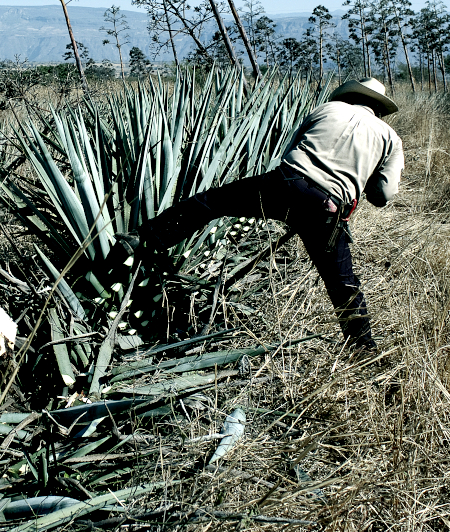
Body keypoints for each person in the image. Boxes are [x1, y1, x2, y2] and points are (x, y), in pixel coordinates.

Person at [119, 78, 404, 353]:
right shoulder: (390, 137)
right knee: (342, 283)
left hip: (284, 183)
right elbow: (383, 195)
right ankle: (362, 349)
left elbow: (291, 149)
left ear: (350, 95)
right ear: (378, 108)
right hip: (326, 209)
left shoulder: (326, 109)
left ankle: (142, 238)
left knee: (209, 203)